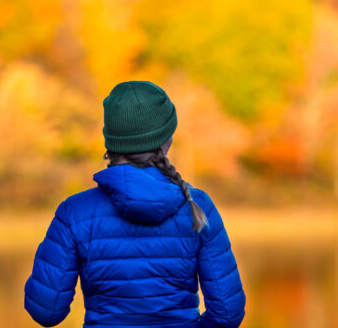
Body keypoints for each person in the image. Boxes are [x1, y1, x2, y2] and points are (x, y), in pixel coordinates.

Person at [24, 80, 246, 327]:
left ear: (111, 141)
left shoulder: (74, 213)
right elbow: (228, 314)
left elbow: (46, 310)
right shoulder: (198, 206)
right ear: (167, 140)